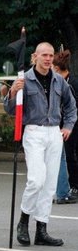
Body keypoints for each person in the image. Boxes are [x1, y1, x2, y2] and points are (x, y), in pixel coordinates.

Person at [4, 42, 77, 247]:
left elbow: (71, 106)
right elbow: (12, 111)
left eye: (50, 55)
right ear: (34, 56)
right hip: (34, 131)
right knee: (36, 180)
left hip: (54, 132)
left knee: (50, 184)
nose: (47, 58)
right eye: (43, 54)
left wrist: (68, 126)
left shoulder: (59, 81)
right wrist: (12, 93)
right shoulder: (24, 79)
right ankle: (23, 221)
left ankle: (42, 229)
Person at [52, 49, 78, 203]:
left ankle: (74, 185)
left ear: (56, 68)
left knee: (71, 154)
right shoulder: (57, 81)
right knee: (67, 155)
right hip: (63, 124)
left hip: (73, 123)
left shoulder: (72, 82)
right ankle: (69, 185)